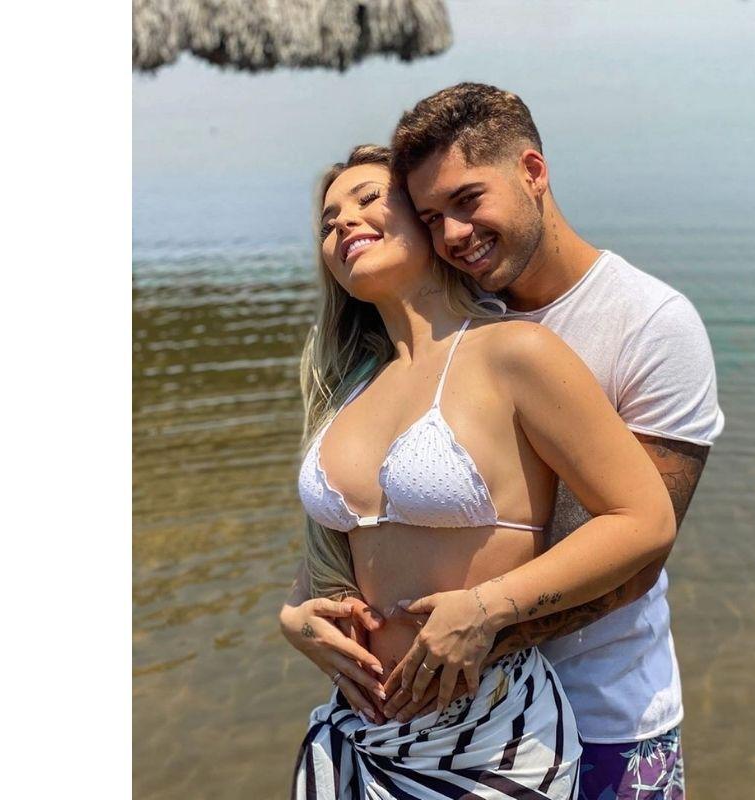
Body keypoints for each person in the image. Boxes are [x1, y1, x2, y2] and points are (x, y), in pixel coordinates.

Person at [286, 144, 676, 799]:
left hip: (491, 735)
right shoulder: (348, 390)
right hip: (361, 737)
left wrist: (486, 609)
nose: (343, 222)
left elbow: (644, 519)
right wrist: (295, 620)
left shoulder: (514, 353)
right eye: (328, 221)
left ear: (428, 222)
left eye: (368, 199)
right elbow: (333, 561)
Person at [382, 83, 725, 800]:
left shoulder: (650, 323)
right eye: (431, 218)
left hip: (607, 714)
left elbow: (639, 560)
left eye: (468, 200)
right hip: (462, 723)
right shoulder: (451, 319)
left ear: (533, 172)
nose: (452, 236)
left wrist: (474, 634)